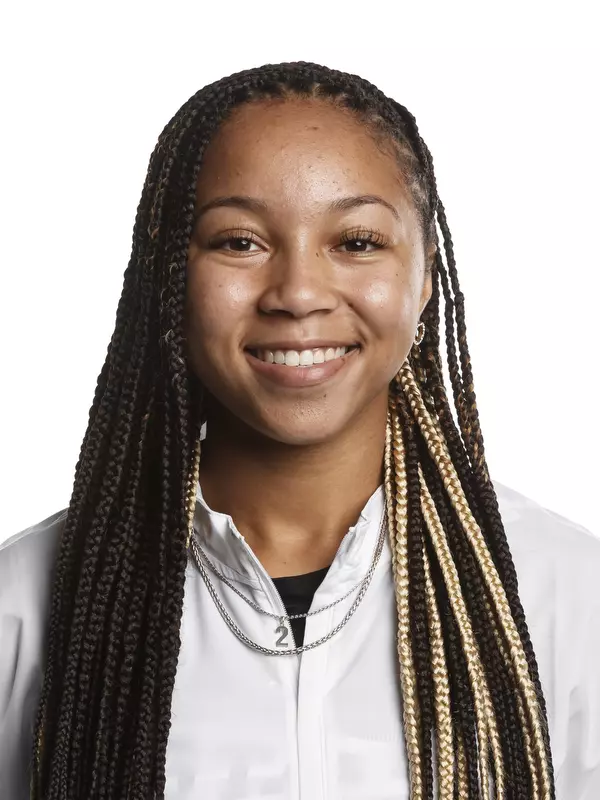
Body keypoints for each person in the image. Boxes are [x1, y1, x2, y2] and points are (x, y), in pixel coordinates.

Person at [0, 61, 598, 800]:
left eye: (356, 241)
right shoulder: (23, 605)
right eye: (239, 242)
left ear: (426, 275)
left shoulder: (569, 597)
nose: (299, 294)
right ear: (167, 274)